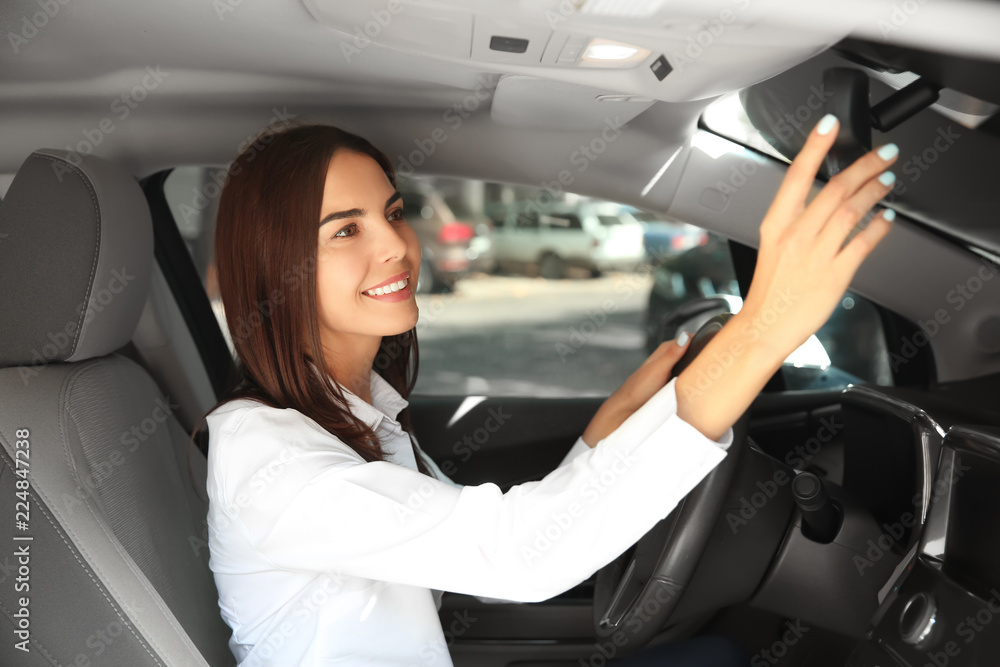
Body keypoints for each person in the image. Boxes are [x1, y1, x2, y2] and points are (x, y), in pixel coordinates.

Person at [203, 115, 897, 666]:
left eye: (392, 211)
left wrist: (602, 435)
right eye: (346, 230)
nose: (394, 245)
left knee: (717, 652)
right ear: (274, 269)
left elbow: (474, 552)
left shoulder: (355, 416)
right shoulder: (268, 459)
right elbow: (517, 554)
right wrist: (762, 331)